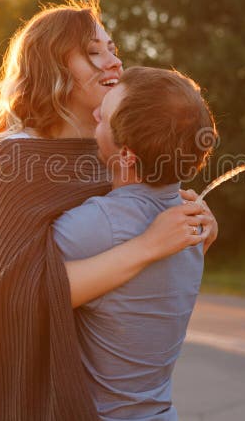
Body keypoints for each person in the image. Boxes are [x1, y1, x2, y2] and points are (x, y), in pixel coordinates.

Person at [0, 0, 217, 421]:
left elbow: (129, 230)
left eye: (112, 49)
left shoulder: (114, 151)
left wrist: (196, 225)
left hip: (65, 394)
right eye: (93, 53)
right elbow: (19, 295)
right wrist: (148, 244)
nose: (112, 62)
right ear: (53, 68)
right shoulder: (17, 158)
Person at [53, 66, 216, 420]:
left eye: (105, 115)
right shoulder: (193, 222)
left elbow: (18, 286)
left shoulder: (98, 225)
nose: (96, 112)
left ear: (127, 155)